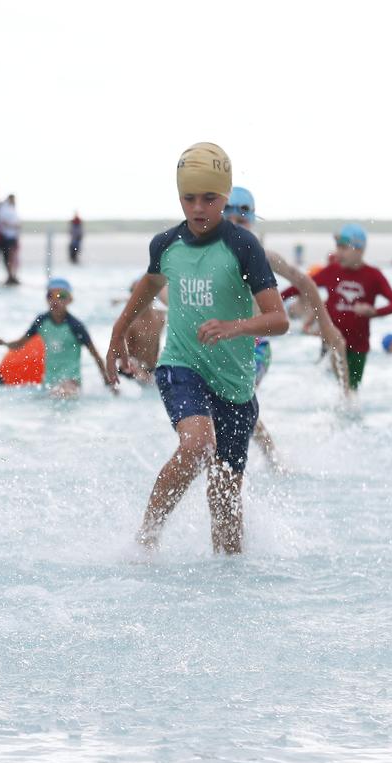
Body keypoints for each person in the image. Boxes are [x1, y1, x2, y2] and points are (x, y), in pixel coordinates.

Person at [106, 142, 289, 554]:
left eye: (210, 198)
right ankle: (147, 538)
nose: (200, 207)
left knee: (225, 501)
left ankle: (228, 585)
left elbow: (279, 319)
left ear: (225, 197)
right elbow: (145, 292)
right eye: (190, 198)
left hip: (236, 386)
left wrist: (234, 327)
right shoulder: (166, 245)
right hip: (182, 365)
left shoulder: (243, 247)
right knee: (197, 445)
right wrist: (117, 338)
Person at [224, 186, 350, 469]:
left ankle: (266, 461)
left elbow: (304, 282)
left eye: (241, 221)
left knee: (237, 402)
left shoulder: (264, 256)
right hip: (221, 347)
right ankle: (273, 459)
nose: (234, 227)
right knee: (235, 406)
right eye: (228, 220)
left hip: (255, 349)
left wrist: (326, 325)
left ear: (252, 221)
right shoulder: (209, 257)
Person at [279, 223, 392, 392]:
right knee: (336, 388)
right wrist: (276, 300)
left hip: (359, 345)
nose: (338, 253)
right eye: (337, 247)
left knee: (350, 392)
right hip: (333, 340)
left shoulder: (373, 275)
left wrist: (374, 312)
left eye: (344, 248)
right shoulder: (332, 271)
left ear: (360, 249)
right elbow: (301, 285)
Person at [0, 278, 115, 399]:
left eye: (61, 295)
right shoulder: (41, 321)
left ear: (70, 300)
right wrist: (5, 343)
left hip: (71, 380)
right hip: (49, 380)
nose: (55, 300)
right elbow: (21, 343)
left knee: (62, 394)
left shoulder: (75, 326)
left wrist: (108, 383)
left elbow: (95, 355)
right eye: (50, 295)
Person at [112, 277, 166, 385]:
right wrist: (137, 370)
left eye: (147, 292)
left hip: (152, 370)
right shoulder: (129, 324)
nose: (143, 297)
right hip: (131, 374)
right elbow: (119, 356)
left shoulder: (161, 316)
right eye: (139, 294)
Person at [0, 194, 21, 285]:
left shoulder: (13, 209)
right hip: (6, 236)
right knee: (8, 256)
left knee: (13, 256)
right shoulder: (4, 209)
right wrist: (13, 226)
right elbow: (2, 221)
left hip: (13, 236)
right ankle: (10, 275)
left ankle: (13, 275)